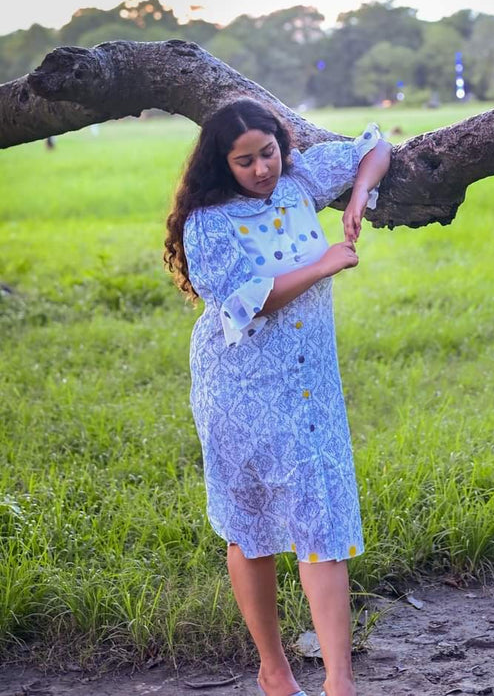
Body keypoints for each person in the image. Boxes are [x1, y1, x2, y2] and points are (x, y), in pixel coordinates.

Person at [164, 99, 392, 696]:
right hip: (239, 388)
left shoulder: (299, 184)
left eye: (268, 152)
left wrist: (360, 195)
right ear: (222, 164)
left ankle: (339, 682)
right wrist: (324, 265)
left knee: (322, 519)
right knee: (254, 528)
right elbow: (246, 302)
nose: (262, 169)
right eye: (246, 161)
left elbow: (375, 144)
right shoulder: (207, 222)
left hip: (310, 384)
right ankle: (275, 669)